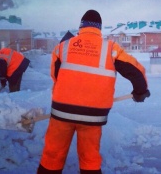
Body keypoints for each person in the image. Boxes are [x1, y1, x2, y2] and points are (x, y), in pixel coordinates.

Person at [37, 9, 150, 174]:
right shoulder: (110, 48)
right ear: (99, 28)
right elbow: (135, 71)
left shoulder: (63, 47)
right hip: (92, 116)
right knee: (90, 159)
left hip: (62, 112)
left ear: (81, 26)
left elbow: (55, 76)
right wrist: (140, 91)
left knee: (52, 156)